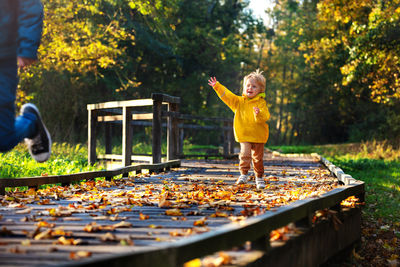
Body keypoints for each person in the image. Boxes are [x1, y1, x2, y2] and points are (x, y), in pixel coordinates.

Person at [0, 0, 51, 162]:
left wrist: (27, 46)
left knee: (3, 139)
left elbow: (29, 4)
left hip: (3, 57)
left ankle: (31, 122)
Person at [208, 70, 270, 189]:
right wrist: (217, 86)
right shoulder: (238, 102)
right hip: (244, 134)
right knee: (244, 155)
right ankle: (244, 174)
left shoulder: (261, 103)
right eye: (248, 85)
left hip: (258, 135)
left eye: (254, 86)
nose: (250, 88)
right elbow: (228, 96)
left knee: (257, 158)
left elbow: (266, 116)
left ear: (260, 90)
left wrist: (258, 113)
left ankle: (259, 177)